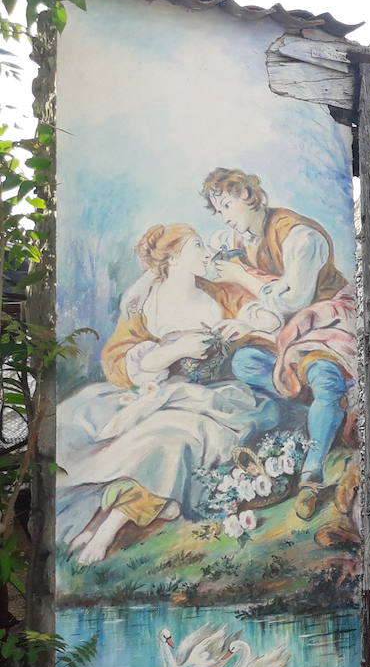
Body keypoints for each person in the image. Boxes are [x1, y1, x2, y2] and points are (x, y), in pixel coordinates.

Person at [57, 224, 278, 565]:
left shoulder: (221, 294)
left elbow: (272, 319)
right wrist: (172, 352)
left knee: (167, 441)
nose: (207, 254)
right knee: (77, 421)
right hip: (159, 391)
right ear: (174, 256)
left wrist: (248, 327)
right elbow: (118, 361)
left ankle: (107, 527)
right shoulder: (147, 303)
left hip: (213, 399)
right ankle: (99, 518)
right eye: (197, 246)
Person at [199, 168, 357, 519]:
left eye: (227, 205)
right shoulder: (241, 241)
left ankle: (311, 475)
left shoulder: (299, 236)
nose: (224, 216)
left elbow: (295, 299)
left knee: (323, 374)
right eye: (218, 210)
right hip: (283, 331)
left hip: (325, 318)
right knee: (246, 363)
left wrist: (240, 277)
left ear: (247, 195)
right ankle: (317, 421)